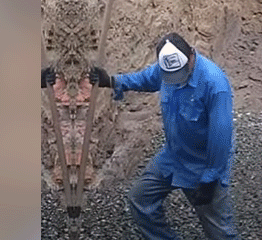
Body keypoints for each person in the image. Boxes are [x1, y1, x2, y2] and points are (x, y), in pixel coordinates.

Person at [89, 32, 238, 240]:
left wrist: (211, 177)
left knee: (218, 230)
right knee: (140, 200)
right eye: (170, 75)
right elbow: (146, 78)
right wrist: (113, 81)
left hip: (202, 163)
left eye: (180, 72)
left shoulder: (215, 85)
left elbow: (220, 136)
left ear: (192, 54)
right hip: (174, 156)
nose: (176, 79)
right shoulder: (167, 67)